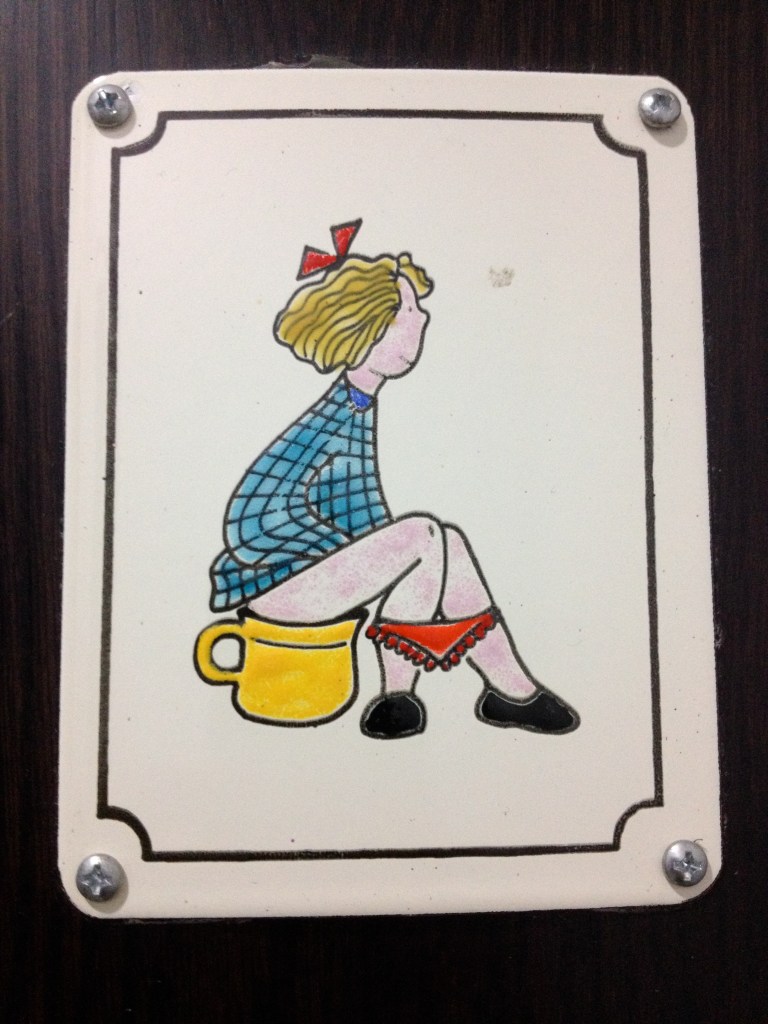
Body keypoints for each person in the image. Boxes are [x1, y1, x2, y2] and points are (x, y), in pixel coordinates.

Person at [209, 220, 579, 739]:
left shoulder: (357, 406)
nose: (421, 316)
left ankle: (508, 690)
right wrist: (340, 552)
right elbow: (248, 517)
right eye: (408, 309)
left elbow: (362, 516)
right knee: (424, 536)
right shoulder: (332, 418)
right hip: (279, 589)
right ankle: (398, 696)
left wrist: (371, 553)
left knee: (445, 542)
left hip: (308, 581)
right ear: (368, 327)